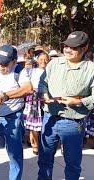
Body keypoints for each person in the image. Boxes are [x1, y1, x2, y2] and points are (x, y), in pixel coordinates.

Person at [38, 31, 94, 180]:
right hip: (49, 118)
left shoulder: (91, 69)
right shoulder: (55, 63)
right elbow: (43, 83)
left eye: (73, 47)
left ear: (85, 48)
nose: (68, 50)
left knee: (72, 165)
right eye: (66, 46)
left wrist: (79, 102)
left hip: (72, 123)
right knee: (44, 161)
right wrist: (44, 94)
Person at [0, 45, 33, 180]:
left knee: (14, 153)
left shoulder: (20, 71)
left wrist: (5, 96)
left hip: (12, 117)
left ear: (14, 61)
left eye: (5, 63)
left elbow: (27, 88)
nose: (1, 65)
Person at [22, 53, 50, 155]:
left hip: (47, 98)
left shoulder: (51, 71)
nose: (44, 61)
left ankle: (45, 144)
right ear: (37, 60)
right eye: (41, 59)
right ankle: (35, 145)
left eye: (46, 59)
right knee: (34, 124)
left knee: (46, 122)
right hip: (34, 98)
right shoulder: (32, 71)